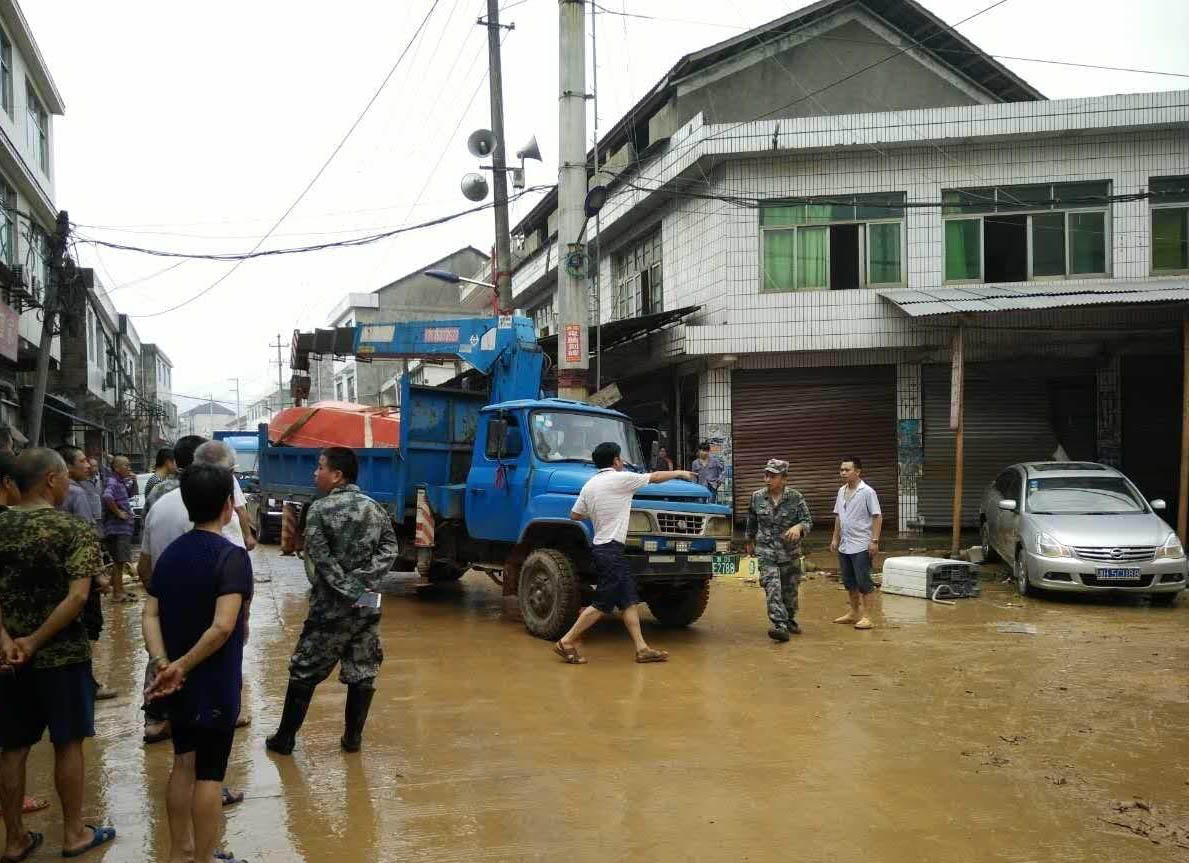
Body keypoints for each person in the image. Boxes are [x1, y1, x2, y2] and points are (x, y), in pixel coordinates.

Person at [0, 449, 117, 860]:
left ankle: (13, 839)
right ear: (51, 480)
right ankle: (74, 834)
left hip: (8, 660)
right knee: (68, 743)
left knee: (12, 748)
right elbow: (78, 596)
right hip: (63, 657)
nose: (70, 481)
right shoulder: (72, 529)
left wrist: (9, 641)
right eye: (66, 475)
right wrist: (35, 642)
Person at [143, 463, 252, 863]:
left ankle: (179, 853)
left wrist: (163, 664)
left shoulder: (170, 555)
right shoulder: (231, 557)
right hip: (213, 680)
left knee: (182, 761)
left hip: (174, 680)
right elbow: (224, 627)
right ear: (228, 506)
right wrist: (184, 666)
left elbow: (149, 615)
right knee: (210, 774)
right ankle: (205, 858)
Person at [266, 447, 398, 756]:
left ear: (337, 475)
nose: (315, 473)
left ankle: (284, 739)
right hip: (367, 601)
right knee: (363, 667)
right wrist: (364, 581)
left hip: (331, 603)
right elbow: (390, 548)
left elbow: (318, 559)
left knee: (305, 667)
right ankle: (352, 740)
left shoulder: (319, 510)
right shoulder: (375, 508)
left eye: (320, 467)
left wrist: (345, 586)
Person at [553, 442, 693, 665]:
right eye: (620, 459)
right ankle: (566, 641)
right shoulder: (621, 479)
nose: (622, 462)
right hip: (611, 550)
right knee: (602, 603)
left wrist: (601, 513)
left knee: (628, 600)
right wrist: (680, 472)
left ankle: (641, 648)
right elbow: (655, 477)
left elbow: (574, 515)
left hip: (602, 548)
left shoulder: (590, 485)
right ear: (615, 461)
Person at [55, 447, 116, 703]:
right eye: (82, 462)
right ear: (66, 467)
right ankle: (86, 685)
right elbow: (87, 534)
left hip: (58, 575)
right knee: (90, 626)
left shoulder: (44, 494)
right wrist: (99, 574)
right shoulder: (76, 492)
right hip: (81, 573)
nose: (88, 466)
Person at [746, 459, 813, 642]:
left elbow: (807, 521)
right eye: (766, 475)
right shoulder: (757, 496)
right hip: (765, 550)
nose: (768, 479)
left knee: (789, 590)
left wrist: (798, 527)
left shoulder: (795, 497)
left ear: (784, 479)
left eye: (773, 476)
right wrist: (749, 541)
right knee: (772, 586)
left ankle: (789, 619)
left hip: (789, 552)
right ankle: (779, 625)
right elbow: (751, 520)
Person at [830, 457, 882, 631]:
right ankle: (853, 613)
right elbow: (838, 516)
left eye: (847, 470)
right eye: (841, 470)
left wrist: (874, 541)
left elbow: (877, 516)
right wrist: (835, 538)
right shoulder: (841, 491)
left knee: (864, 581)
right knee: (849, 581)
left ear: (858, 471)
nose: (843, 473)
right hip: (845, 544)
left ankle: (868, 617)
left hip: (861, 544)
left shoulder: (867, 492)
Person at [101, 456, 136, 603]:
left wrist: (133, 481)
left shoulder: (120, 482)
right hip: (117, 528)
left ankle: (120, 590)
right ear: (116, 468)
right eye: (126, 466)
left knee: (119, 562)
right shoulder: (113, 481)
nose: (129, 468)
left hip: (122, 528)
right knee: (118, 561)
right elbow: (107, 496)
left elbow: (130, 494)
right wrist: (118, 512)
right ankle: (117, 593)